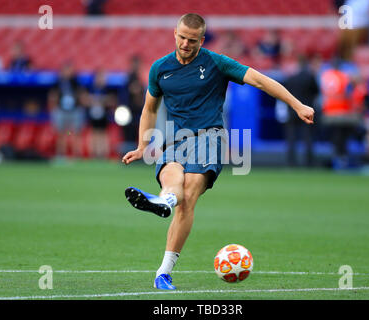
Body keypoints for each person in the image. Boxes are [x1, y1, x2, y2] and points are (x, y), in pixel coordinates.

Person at [121, 13, 315, 290]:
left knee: (188, 196)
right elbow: (149, 108)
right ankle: (164, 204)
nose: (186, 44)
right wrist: (142, 145)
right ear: (174, 33)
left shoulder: (216, 62)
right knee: (173, 178)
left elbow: (259, 80)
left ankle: (163, 266)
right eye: (182, 37)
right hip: (176, 139)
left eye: (192, 40)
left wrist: (297, 105)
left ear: (202, 40)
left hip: (208, 138)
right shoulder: (160, 68)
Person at [283, 55, 320, 167]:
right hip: (306, 110)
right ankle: (308, 162)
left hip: (292, 110)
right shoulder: (310, 77)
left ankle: (291, 162)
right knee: (308, 137)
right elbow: (316, 92)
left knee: (291, 138)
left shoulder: (291, 78)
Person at [49, 61, 85, 159]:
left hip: (74, 110)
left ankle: (76, 154)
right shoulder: (58, 82)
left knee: (75, 133)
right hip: (62, 110)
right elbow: (53, 95)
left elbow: (81, 94)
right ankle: (61, 154)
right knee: (61, 133)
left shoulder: (76, 82)